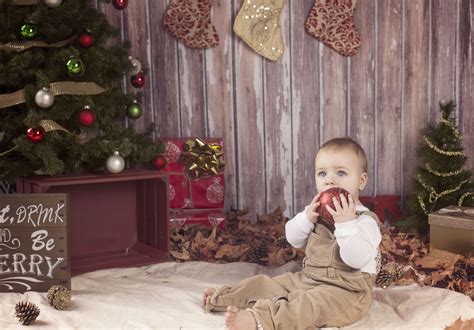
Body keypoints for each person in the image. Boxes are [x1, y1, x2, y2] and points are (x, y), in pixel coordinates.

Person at [203, 137, 382, 330]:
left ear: (361, 181)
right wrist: (305, 219)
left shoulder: (365, 221)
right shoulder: (316, 211)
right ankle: (226, 296)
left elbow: (356, 259)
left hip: (347, 292)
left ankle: (260, 319)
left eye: (341, 172)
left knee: (307, 305)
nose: (329, 180)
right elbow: (293, 239)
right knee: (269, 284)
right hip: (309, 279)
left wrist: (346, 224)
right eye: (322, 173)